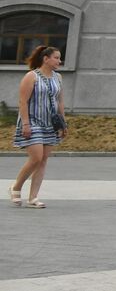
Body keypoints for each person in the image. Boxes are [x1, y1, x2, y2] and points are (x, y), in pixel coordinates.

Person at [10, 45, 67, 208]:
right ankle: (16, 188)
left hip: (51, 124)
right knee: (36, 157)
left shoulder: (58, 77)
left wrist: (63, 123)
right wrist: (26, 123)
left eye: (60, 58)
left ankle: (33, 197)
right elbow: (23, 101)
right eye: (56, 57)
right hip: (32, 122)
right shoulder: (31, 76)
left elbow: (60, 101)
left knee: (43, 160)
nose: (59, 61)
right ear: (46, 59)